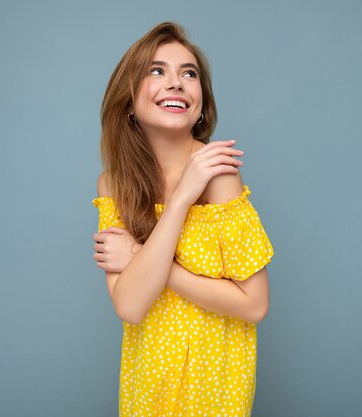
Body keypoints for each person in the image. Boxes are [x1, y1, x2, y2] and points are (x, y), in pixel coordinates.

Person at [91, 22, 274, 417]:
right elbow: (130, 305)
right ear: (128, 100)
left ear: (201, 103)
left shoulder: (219, 173)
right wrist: (178, 205)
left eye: (188, 74)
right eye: (156, 71)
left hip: (213, 391)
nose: (175, 82)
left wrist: (139, 253)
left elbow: (255, 304)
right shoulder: (113, 184)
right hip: (147, 385)